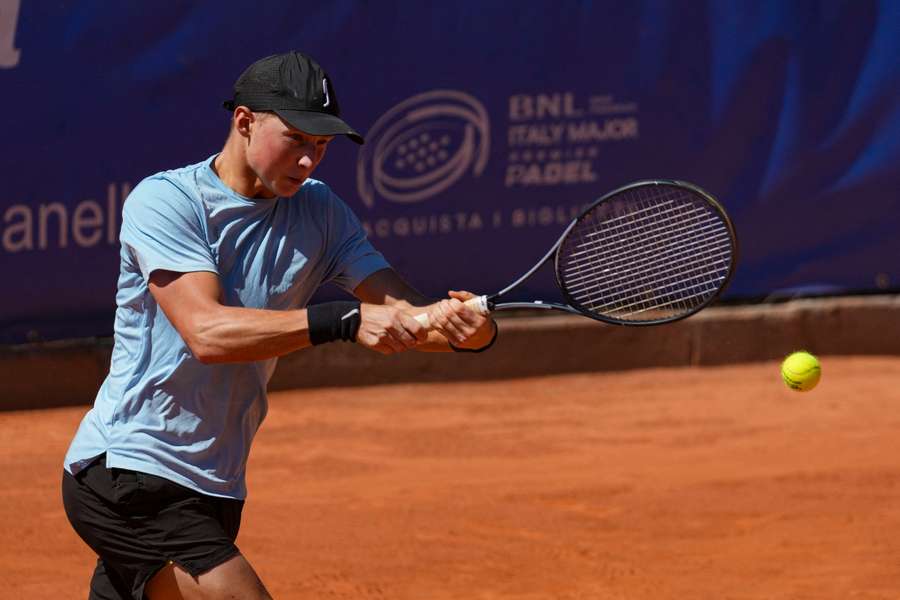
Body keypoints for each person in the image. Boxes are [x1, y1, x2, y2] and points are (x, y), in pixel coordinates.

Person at [61, 51, 496, 600]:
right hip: (126, 468)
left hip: (216, 486)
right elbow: (207, 333)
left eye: (321, 146)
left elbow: (410, 313)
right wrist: (340, 321)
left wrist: (467, 329)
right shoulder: (167, 201)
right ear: (244, 122)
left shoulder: (321, 212)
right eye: (297, 139)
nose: (310, 160)